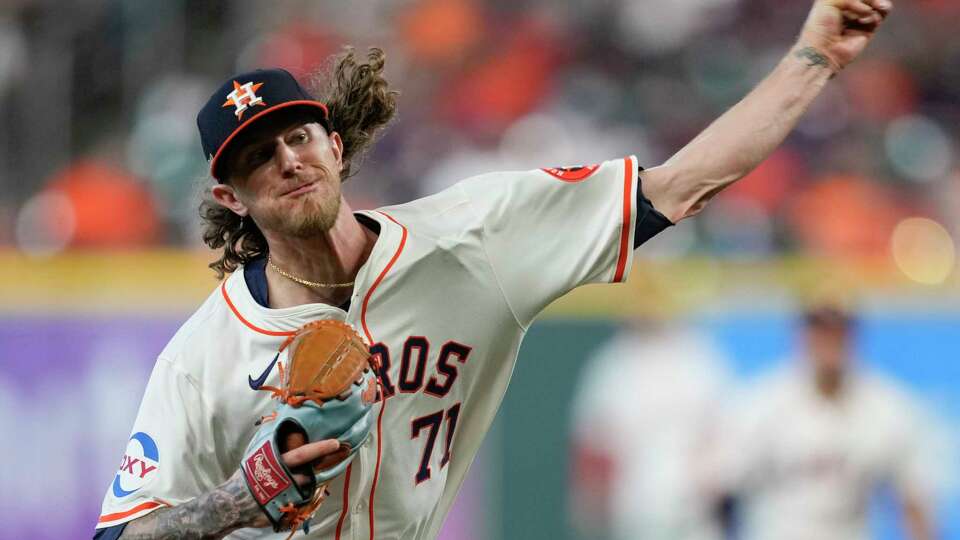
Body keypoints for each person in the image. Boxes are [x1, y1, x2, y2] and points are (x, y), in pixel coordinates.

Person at [93, 1, 894, 538]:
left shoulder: (474, 238)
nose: (288, 162)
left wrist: (814, 55)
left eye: (299, 136)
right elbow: (120, 533)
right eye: (257, 158)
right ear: (228, 196)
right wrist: (239, 498)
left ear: (335, 144)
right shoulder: (202, 357)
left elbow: (680, 185)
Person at [720, 303, 938, 540]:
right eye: (819, 328)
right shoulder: (761, 404)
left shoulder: (887, 407)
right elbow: (724, 491)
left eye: (838, 329)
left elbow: (914, 500)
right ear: (801, 335)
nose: (829, 340)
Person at [569, 317, 731, 540]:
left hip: (695, 518)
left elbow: (722, 436)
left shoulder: (701, 356)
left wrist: (711, 482)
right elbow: (593, 448)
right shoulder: (611, 366)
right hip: (637, 518)